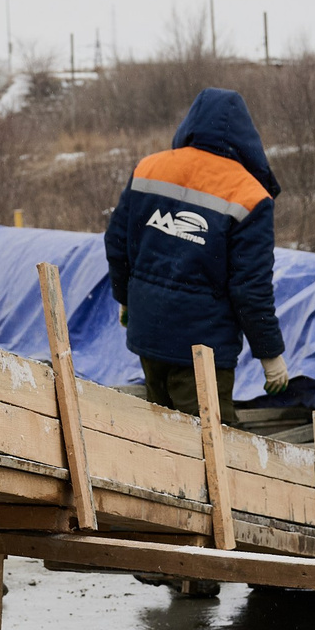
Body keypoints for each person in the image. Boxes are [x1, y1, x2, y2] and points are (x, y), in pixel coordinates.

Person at [104, 88, 287, 422]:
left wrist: (126, 300)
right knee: (213, 448)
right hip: (203, 347)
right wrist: (270, 355)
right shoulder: (249, 195)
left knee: (161, 436)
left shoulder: (149, 168)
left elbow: (117, 244)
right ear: (246, 136)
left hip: (149, 333)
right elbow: (250, 286)